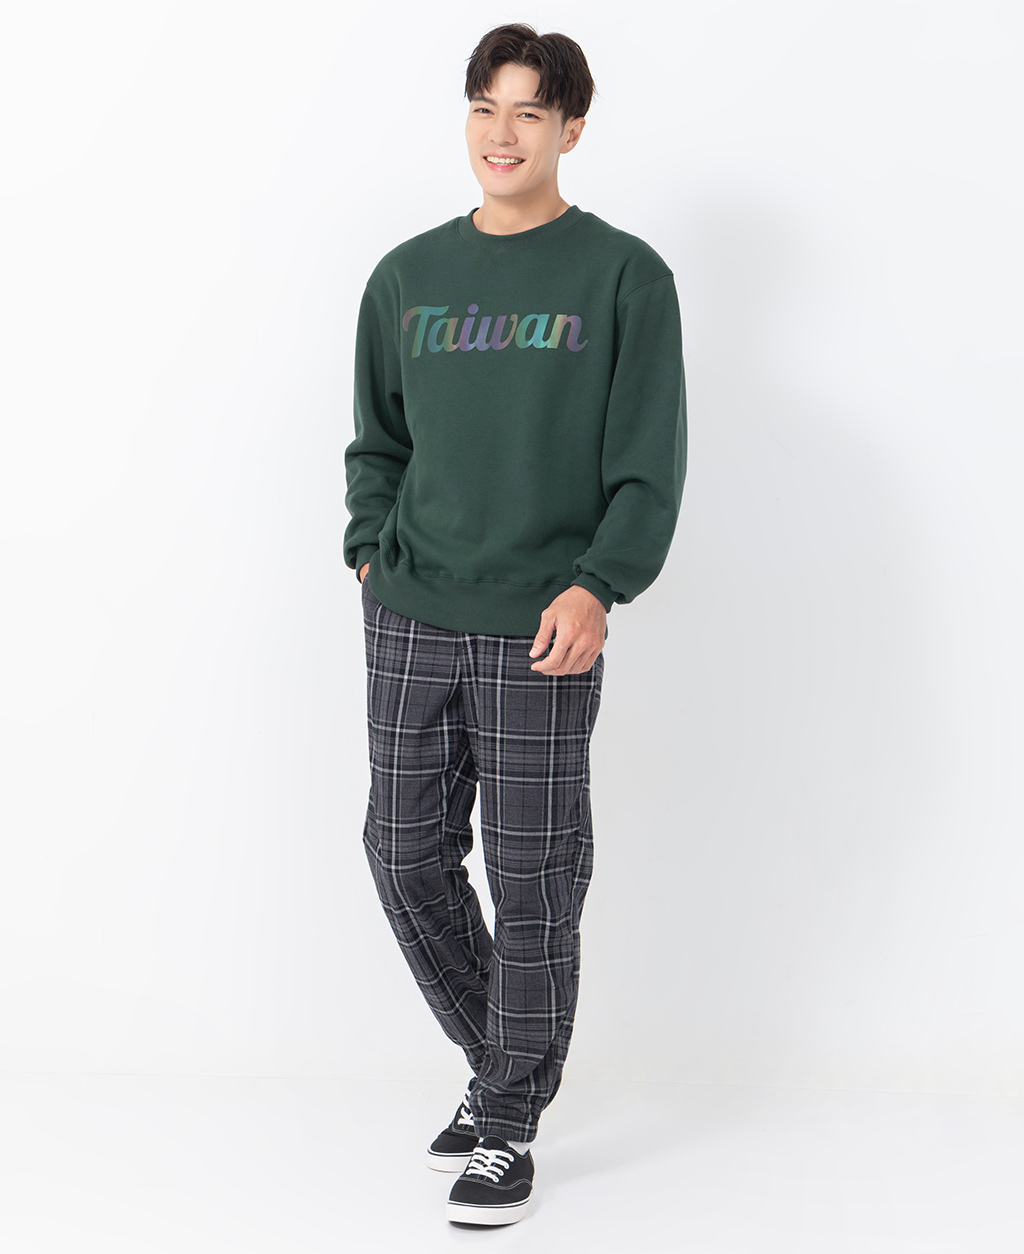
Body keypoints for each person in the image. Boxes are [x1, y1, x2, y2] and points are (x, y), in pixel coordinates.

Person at [343, 22, 687, 1226]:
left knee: (533, 875)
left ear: (570, 129)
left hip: (544, 618)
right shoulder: (405, 276)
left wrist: (600, 584)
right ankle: (508, 1068)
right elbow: (377, 441)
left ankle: (505, 1125)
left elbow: (647, 462)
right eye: (486, 107)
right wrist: (367, 550)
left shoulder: (623, 277)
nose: (502, 133)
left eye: (530, 112)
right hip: (410, 607)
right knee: (402, 853)